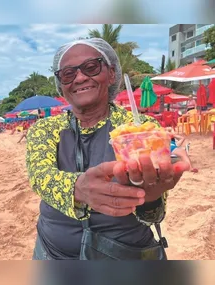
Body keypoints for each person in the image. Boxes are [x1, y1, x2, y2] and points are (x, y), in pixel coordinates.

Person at [26, 38, 190, 260]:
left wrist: (151, 197)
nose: (80, 77)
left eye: (91, 67)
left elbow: (154, 217)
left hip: (125, 256)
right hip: (53, 253)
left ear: (111, 73)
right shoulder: (45, 128)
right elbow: (40, 177)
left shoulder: (141, 129)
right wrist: (78, 188)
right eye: (68, 73)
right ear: (61, 85)